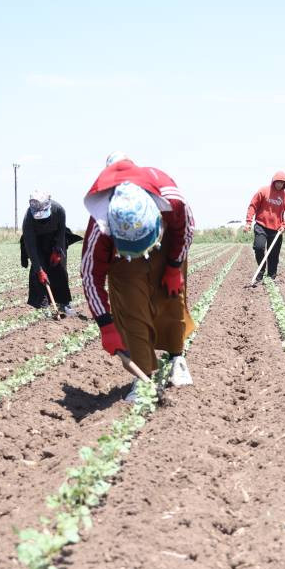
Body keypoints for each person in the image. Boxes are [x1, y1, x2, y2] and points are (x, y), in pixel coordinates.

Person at [81, 152, 196, 400]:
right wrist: (106, 325)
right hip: (121, 259)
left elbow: (186, 229)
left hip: (163, 244)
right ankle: (143, 377)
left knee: (171, 298)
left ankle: (177, 358)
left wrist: (174, 266)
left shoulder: (169, 198)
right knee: (131, 307)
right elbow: (90, 275)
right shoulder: (100, 225)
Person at [21, 190, 81, 316]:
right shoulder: (28, 219)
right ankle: (43, 306)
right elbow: (31, 247)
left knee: (60, 268)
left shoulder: (59, 210)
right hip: (37, 242)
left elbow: (61, 232)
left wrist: (58, 250)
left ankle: (64, 303)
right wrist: (39, 270)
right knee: (39, 272)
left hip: (55, 239)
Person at [244, 171, 285, 285]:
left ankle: (272, 275)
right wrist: (248, 222)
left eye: (282, 183)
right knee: (259, 247)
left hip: (277, 229)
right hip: (261, 225)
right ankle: (261, 270)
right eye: (278, 182)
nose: (280, 184)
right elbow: (253, 206)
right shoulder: (263, 191)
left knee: (274, 253)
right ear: (274, 181)